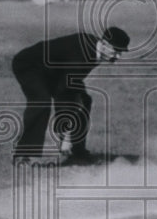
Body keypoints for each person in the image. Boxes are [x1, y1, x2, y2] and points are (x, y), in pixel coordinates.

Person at [10, 27, 130, 164]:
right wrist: (66, 137)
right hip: (30, 65)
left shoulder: (94, 51)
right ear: (104, 44)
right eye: (116, 51)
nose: (118, 56)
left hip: (56, 71)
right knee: (41, 102)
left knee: (85, 101)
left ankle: (78, 152)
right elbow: (64, 94)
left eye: (121, 52)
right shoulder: (82, 56)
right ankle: (22, 154)